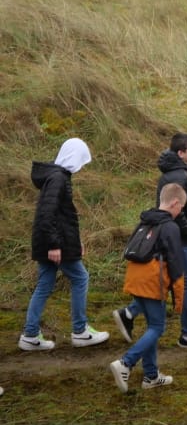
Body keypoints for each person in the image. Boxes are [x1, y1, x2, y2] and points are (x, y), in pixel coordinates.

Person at [119, 134, 187, 348]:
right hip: (177, 236)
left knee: (167, 279)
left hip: (171, 232)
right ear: (181, 153)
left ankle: (129, 312)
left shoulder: (173, 170)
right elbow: (177, 209)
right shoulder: (179, 176)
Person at [19, 137, 110, 351]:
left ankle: (30, 335)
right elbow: (46, 214)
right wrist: (54, 245)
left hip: (53, 241)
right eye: (81, 160)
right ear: (74, 157)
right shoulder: (58, 178)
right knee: (81, 278)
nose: (81, 166)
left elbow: (63, 216)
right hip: (54, 243)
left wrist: (76, 242)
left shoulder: (55, 176)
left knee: (44, 284)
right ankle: (80, 331)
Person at [108, 182, 187, 393]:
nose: (180, 212)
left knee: (152, 327)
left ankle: (151, 376)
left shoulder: (146, 220)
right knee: (157, 328)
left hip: (134, 278)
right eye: (181, 208)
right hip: (153, 282)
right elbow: (177, 266)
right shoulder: (170, 227)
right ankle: (125, 363)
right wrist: (179, 302)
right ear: (175, 203)